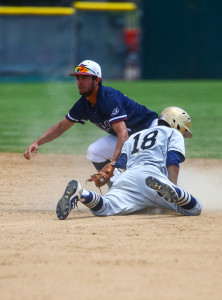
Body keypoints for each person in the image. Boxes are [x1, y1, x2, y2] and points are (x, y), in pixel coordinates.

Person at [56, 106, 202, 220]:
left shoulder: (135, 136)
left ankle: (82, 193)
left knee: (105, 207)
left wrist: (116, 188)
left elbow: (120, 166)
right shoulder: (173, 133)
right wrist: (172, 185)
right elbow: (173, 160)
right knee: (195, 208)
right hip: (153, 175)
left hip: (127, 178)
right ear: (177, 124)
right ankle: (175, 193)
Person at [23, 60, 158, 179]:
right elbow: (61, 127)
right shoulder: (83, 104)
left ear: (97, 80)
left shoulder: (109, 98)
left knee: (151, 164)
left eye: (85, 78)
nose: (80, 82)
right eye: (78, 78)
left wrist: (114, 163)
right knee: (94, 151)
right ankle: (116, 190)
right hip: (130, 137)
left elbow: (123, 133)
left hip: (150, 129)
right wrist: (37, 142)